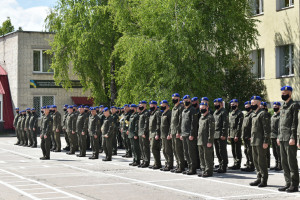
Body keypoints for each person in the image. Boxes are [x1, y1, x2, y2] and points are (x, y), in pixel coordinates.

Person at [278, 86, 299, 192]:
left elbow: (295, 123)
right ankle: (288, 183)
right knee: (284, 162)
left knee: (291, 162)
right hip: (282, 138)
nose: (283, 94)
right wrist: (278, 136)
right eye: (282, 92)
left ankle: (294, 184)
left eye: (285, 92)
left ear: (290, 93)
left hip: (289, 138)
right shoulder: (283, 106)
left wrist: (293, 137)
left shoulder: (294, 105)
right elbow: (280, 124)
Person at [249, 96, 270, 188]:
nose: (252, 105)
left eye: (254, 103)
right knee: (255, 161)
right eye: (251, 103)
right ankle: (258, 177)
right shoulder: (254, 114)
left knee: (261, 161)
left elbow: (266, 129)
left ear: (259, 103)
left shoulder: (262, 114)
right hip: (254, 141)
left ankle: (264, 180)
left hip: (261, 141)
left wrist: (266, 141)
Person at [181, 95, 198, 175]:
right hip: (184, 134)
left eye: (187, 100)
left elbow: (193, 123)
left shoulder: (192, 110)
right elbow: (182, 123)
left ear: (190, 100)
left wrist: (192, 134)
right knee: (186, 152)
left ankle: (193, 169)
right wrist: (181, 133)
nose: (186, 101)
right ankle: (189, 167)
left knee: (191, 152)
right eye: (184, 100)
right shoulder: (184, 110)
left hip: (189, 135)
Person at [197, 102, 215, 177]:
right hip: (200, 140)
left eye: (203, 108)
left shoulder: (210, 117)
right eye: (200, 108)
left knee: (207, 156)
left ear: (207, 108)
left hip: (206, 140)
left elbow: (211, 130)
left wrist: (210, 141)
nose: (201, 110)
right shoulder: (201, 117)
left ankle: (209, 171)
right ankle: (203, 170)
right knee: (201, 156)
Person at [170, 93, 185, 173]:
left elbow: (180, 121)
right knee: (175, 149)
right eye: (173, 98)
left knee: (179, 149)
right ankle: (178, 165)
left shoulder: (180, 107)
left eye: (175, 98)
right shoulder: (174, 108)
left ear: (178, 98)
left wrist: (179, 131)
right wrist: (170, 132)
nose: (173, 99)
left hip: (177, 132)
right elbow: (172, 122)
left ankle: (181, 166)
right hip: (173, 131)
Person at [213, 98, 229, 173]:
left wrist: (223, 134)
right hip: (215, 135)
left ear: (221, 104)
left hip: (221, 135)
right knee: (217, 151)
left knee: (222, 151)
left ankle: (224, 166)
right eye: (215, 103)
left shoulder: (223, 112)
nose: (216, 105)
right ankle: (220, 165)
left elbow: (225, 124)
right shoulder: (215, 112)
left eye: (217, 103)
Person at [228, 99, 243, 170]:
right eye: (231, 105)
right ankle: (235, 162)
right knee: (233, 150)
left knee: (237, 150)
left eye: (234, 104)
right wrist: (228, 134)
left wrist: (237, 135)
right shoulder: (231, 113)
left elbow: (239, 126)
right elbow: (229, 125)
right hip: (231, 134)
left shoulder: (240, 113)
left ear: (237, 104)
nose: (232, 106)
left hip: (237, 135)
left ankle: (238, 164)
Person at [241, 101, 255, 172]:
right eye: (246, 107)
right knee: (246, 151)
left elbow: (253, 126)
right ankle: (248, 163)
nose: (247, 107)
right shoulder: (246, 115)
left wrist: (252, 136)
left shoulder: (252, 115)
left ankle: (251, 165)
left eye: (248, 106)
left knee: (250, 151)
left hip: (249, 136)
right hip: (245, 136)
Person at [160, 100, 173, 171]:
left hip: (167, 135)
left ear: (167, 105)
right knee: (164, 150)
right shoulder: (163, 113)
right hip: (163, 135)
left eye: (163, 105)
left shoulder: (169, 113)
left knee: (168, 150)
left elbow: (171, 124)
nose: (162, 106)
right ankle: (166, 163)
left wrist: (169, 133)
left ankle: (170, 165)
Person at [149, 100, 162, 169]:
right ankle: (155, 163)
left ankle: (158, 163)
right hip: (152, 133)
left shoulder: (157, 113)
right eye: (150, 106)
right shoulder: (152, 113)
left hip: (155, 133)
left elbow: (158, 123)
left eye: (152, 106)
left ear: (156, 106)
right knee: (152, 148)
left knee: (154, 148)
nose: (151, 107)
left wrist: (157, 133)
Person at [138, 101, 150, 168]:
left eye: (141, 105)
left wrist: (144, 132)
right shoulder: (141, 113)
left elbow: (146, 123)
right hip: (140, 133)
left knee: (145, 148)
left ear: (145, 105)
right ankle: (143, 160)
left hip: (144, 133)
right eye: (140, 105)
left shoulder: (146, 113)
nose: (140, 106)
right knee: (142, 147)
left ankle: (146, 161)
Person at [270, 102, 281, 171]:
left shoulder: (280, 116)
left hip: (277, 137)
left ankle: (280, 165)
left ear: (279, 107)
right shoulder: (273, 116)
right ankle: (276, 164)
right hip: (272, 136)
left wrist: (279, 137)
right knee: (274, 152)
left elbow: (280, 127)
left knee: (279, 152)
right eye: (274, 106)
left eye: (276, 106)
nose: (275, 107)